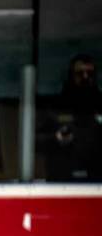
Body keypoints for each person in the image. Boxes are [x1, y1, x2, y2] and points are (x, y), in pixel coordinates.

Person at [43, 53, 102, 181]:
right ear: (71, 75)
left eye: (90, 73)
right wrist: (55, 138)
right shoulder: (57, 106)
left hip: (97, 180)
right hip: (64, 181)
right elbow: (35, 141)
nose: (85, 77)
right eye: (80, 73)